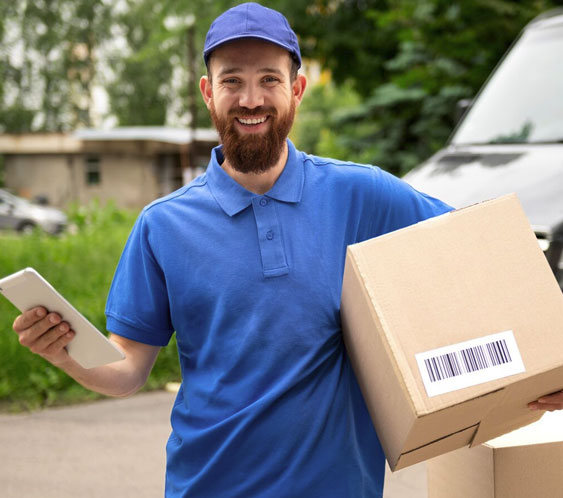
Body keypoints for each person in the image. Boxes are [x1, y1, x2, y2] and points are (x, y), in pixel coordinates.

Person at [11, 3, 563, 497]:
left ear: (296, 90)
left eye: (269, 80)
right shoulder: (163, 226)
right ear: (208, 92)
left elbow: (483, 251)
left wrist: (549, 363)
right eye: (232, 81)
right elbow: (129, 369)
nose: (251, 99)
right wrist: (63, 352)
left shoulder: (361, 194)